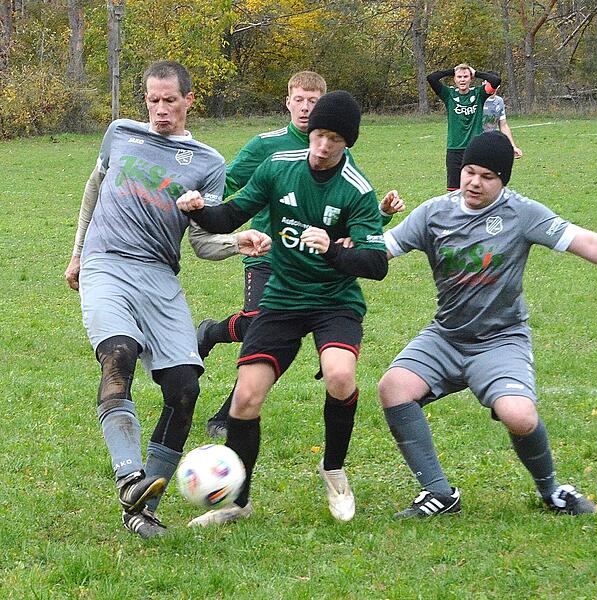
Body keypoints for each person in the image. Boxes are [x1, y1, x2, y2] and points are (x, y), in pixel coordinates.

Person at [379, 132, 597, 519]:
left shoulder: (522, 213)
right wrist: (326, 252)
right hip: (446, 335)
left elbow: (589, 243)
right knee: (393, 387)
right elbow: (380, 250)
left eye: (486, 176)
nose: (474, 183)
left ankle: (553, 491)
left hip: (501, 341)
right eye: (468, 172)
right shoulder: (434, 212)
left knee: (519, 416)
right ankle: (439, 494)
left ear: (503, 181)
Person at [63, 61, 270, 539]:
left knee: (184, 390)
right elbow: (92, 192)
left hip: (160, 276)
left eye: (169, 101)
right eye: (152, 100)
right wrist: (77, 254)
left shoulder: (208, 162)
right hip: (106, 262)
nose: (159, 110)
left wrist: (239, 241)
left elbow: (201, 242)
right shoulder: (119, 134)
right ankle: (129, 476)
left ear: (188, 100)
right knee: (119, 355)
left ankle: (143, 508)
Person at [175, 90, 389, 526]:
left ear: (348, 142)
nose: (323, 145)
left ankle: (333, 471)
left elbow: (376, 264)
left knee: (340, 376)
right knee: (245, 398)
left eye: (334, 138)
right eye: (319, 134)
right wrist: (198, 210)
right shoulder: (278, 167)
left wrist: (332, 250)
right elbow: (230, 216)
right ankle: (238, 502)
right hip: (283, 299)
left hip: (335, 303)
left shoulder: (357, 191)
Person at [197, 72, 405, 439]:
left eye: (313, 101)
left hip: (315, 264)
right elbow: (227, 185)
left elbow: (348, 210)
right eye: (299, 99)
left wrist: (381, 214)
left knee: (256, 324)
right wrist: (199, 204)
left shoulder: (338, 146)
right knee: (260, 322)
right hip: (263, 252)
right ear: (288, 101)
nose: (306, 107)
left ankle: (214, 337)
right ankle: (229, 401)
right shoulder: (266, 145)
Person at [427, 64, 501, 191]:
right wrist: (452, 71)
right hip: (454, 148)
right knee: (453, 190)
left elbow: (495, 81)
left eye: (465, 76)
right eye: (459, 77)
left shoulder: (479, 93)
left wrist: (476, 72)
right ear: (455, 79)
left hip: (475, 148)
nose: (462, 79)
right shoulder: (448, 94)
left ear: (470, 78)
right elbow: (432, 78)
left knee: (476, 187)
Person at [482, 79, 523, 159]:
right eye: (488, 84)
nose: (491, 87)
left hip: (492, 142)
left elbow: (503, 126)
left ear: (498, 86)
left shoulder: (499, 101)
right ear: (483, 83)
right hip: (476, 143)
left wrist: (513, 147)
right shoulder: (477, 99)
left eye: (493, 85)